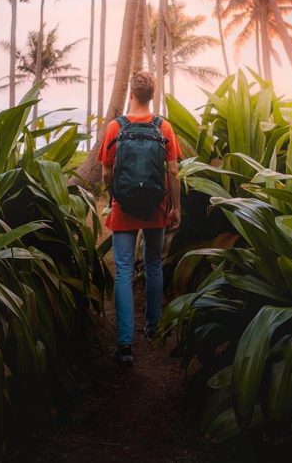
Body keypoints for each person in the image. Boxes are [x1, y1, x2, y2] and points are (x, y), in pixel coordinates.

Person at [98, 70, 181, 365]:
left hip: (125, 208)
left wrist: (115, 195)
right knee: (154, 264)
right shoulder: (164, 127)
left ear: (131, 94)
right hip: (155, 206)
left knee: (122, 270)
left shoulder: (114, 127)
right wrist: (176, 208)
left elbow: (107, 172)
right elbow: (172, 171)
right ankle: (154, 328)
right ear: (152, 95)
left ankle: (124, 344)